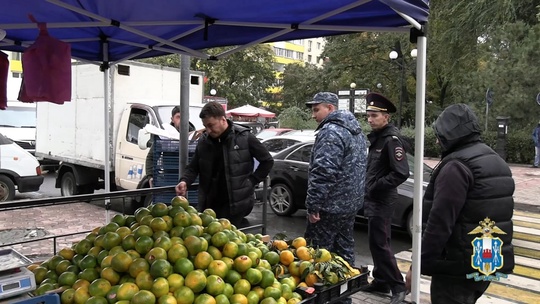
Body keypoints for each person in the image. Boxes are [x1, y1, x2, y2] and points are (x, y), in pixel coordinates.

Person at [405, 104, 515, 304]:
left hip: (458, 266)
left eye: (440, 135)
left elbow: (440, 223)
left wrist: (417, 266)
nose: (437, 140)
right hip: (486, 259)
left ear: (449, 135)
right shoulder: (495, 159)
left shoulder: (456, 167)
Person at [175, 101, 273, 226]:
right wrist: (184, 181)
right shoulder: (204, 142)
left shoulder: (244, 137)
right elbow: (193, 167)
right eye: (206, 126)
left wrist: (251, 181)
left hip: (236, 206)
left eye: (211, 125)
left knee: (232, 243)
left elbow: (267, 161)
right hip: (209, 206)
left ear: (223, 119)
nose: (209, 130)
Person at [304, 92, 367, 273]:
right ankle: (344, 295)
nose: (313, 115)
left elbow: (324, 172)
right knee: (343, 252)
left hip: (329, 207)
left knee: (317, 256)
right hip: (349, 205)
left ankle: (320, 296)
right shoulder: (356, 131)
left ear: (330, 108)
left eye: (317, 110)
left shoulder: (331, 131)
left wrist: (314, 205)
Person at [360, 92, 409, 304]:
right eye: (368, 115)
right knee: (378, 243)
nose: (370, 119)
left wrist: (375, 187)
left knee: (380, 244)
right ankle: (380, 280)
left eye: (374, 116)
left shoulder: (391, 141)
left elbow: (401, 172)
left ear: (386, 117)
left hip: (382, 200)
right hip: (375, 199)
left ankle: (398, 286)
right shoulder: (379, 138)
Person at [145, 105, 187, 186]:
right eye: (178, 117)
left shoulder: (195, 136)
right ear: (172, 119)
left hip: (190, 183)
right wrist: (150, 177)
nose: (181, 120)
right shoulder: (164, 136)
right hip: (169, 181)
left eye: (184, 117)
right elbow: (151, 158)